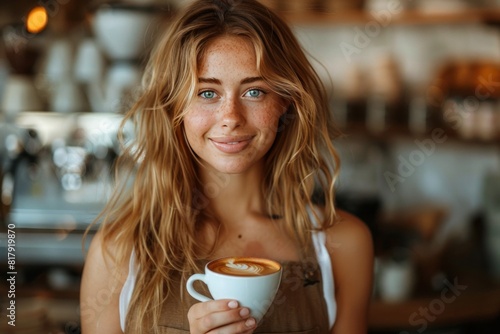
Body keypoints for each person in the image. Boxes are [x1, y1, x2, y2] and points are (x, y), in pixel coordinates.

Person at [80, 0, 374, 333]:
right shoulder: (120, 249)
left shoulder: (343, 245)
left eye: (254, 91)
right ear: (173, 105)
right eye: (207, 92)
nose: (231, 118)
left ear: (286, 102)